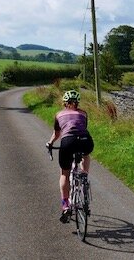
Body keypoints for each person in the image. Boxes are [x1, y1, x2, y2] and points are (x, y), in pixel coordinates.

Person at [46, 90, 94, 223]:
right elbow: (82, 128)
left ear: (64, 103)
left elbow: (57, 135)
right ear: (77, 103)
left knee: (64, 174)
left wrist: (50, 143)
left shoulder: (59, 114)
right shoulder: (83, 113)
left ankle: (66, 205)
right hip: (86, 140)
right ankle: (84, 174)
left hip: (68, 142)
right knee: (86, 154)